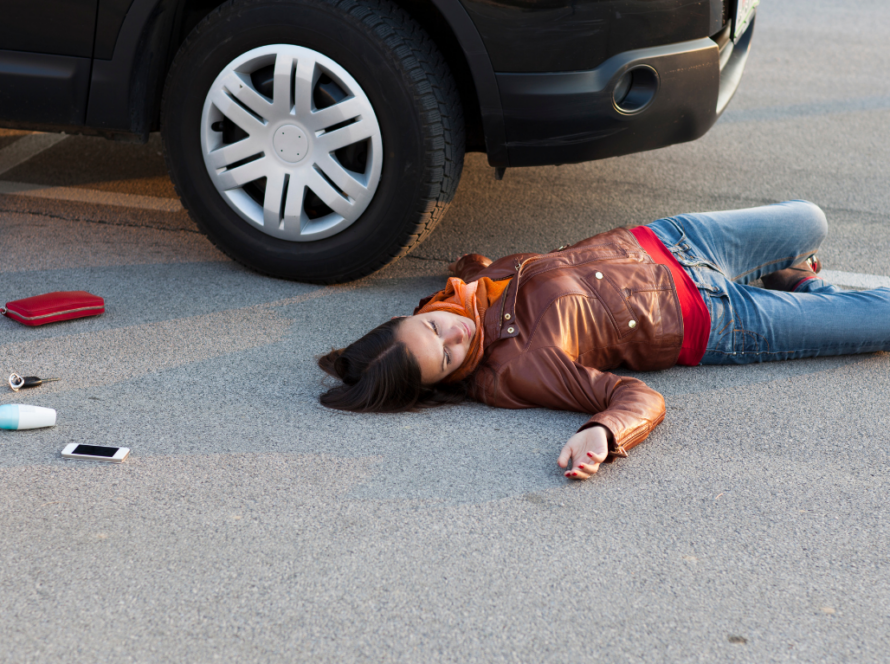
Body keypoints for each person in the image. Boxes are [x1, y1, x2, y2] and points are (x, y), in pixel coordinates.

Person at [318, 201, 890, 480]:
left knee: (811, 221)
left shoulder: (460, 288)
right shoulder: (518, 371)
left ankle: (797, 283)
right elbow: (637, 397)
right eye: (445, 359)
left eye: (433, 328)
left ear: (416, 316)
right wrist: (602, 431)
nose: (454, 335)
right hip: (711, 315)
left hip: (670, 241)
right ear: (444, 384)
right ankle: (807, 287)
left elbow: (479, 276)